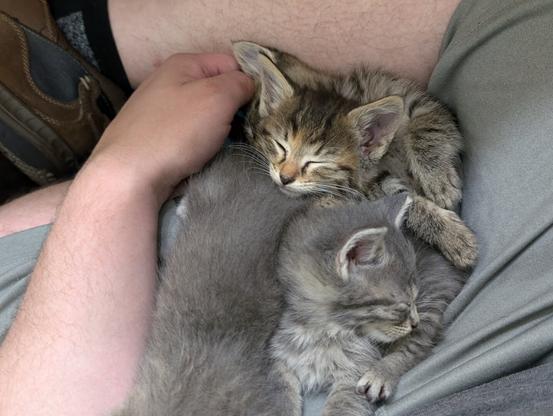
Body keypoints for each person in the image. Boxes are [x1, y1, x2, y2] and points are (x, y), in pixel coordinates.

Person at [1, 1, 553, 415]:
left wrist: (121, 175)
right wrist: (123, 178)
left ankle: (74, 59)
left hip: (66, 310)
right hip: (416, 315)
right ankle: (77, 54)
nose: (287, 174)